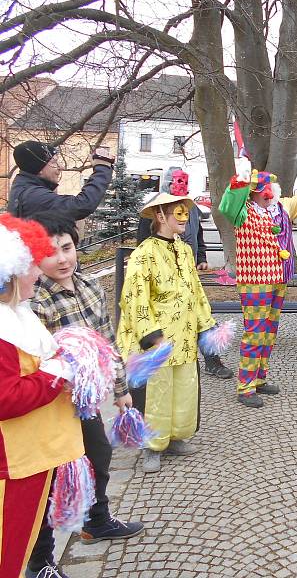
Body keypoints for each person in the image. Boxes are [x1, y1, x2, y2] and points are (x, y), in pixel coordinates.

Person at [24, 213, 144, 575]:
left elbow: (108, 341)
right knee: (50, 478)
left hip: (86, 402)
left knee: (98, 455)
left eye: (68, 248)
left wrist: (121, 389)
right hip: (49, 407)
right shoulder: (34, 301)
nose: (62, 259)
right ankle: (40, 560)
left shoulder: (90, 286)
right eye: (51, 252)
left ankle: (97, 519)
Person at [0, 214, 82, 578]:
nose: (39, 272)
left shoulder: (16, 314)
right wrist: (57, 372)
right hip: (14, 463)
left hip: (31, 456)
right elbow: (6, 398)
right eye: (32, 265)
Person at [117, 193, 216, 473]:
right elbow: (135, 297)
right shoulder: (144, 253)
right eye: (179, 213)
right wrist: (152, 336)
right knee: (157, 394)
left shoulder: (184, 249)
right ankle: (152, 445)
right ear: (161, 216)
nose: (186, 219)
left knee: (184, 389)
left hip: (183, 338)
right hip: (158, 341)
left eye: (187, 213)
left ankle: (175, 437)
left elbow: (194, 289)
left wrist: (205, 324)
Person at [218, 164, 297, 407]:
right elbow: (228, 204)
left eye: (270, 189)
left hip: (277, 279)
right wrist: (240, 180)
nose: (268, 194)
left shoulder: (276, 210)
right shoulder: (242, 211)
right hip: (255, 281)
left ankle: (259, 378)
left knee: (269, 332)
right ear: (252, 192)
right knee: (255, 333)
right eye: (262, 190)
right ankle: (245, 387)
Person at [145, 168, 233, 380]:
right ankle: (168, 361)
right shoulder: (156, 209)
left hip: (188, 269)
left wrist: (201, 257)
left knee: (201, 313)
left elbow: (198, 234)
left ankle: (212, 361)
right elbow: (145, 241)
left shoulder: (189, 207)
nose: (183, 217)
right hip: (164, 279)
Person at [8, 141, 114, 222]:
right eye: (54, 162)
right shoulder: (33, 196)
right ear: (38, 168)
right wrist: (102, 168)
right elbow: (81, 206)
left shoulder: (24, 188)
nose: (61, 167)